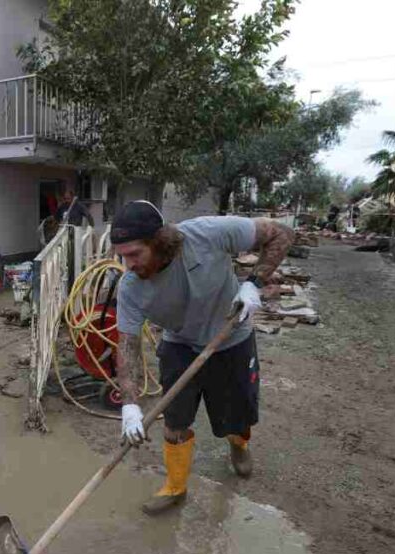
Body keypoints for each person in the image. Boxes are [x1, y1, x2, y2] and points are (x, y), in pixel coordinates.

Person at [112, 200, 293, 516]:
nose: (128, 265)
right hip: (180, 344)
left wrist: (254, 283)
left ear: (159, 241)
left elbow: (283, 234)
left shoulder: (209, 234)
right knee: (175, 421)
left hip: (232, 337)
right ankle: (176, 486)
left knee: (237, 416)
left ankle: (238, 445)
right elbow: (127, 346)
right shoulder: (131, 289)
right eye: (122, 256)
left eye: (134, 254)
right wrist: (129, 404)